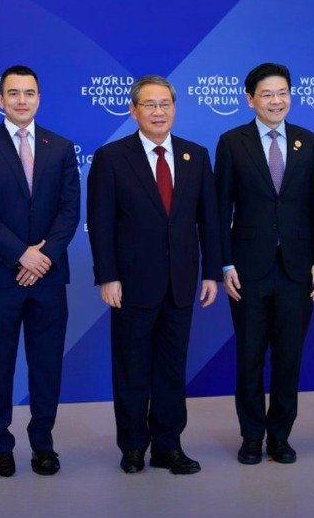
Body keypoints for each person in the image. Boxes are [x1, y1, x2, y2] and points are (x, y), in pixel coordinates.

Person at [87, 75, 221, 475]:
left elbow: (208, 221)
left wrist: (211, 273)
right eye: (149, 104)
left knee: (170, 369)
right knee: (131, 368)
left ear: (174, 109)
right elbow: (101, 222)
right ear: (134, 111)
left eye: (165, 104)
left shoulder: (195, 156)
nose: (158, 111)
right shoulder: (112, 157)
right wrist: (107, 277)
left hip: (181, 284)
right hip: (130, 285)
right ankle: (132, 446)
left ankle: (168, 446)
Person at [0, 65, 80, 477]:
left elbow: (70, 210)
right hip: (0, 277)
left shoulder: (61, 147)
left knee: (46, 364)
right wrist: (20, 256)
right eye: (13, 93)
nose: (22, 100)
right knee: (0, 364)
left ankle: (43, 444)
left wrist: (42, 257)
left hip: (49, 275)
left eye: (29, 93)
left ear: (39, 98)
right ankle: (1, 445)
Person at [214, 62, 314, 465]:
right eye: (267, 94)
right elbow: (218, 208)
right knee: (248, 357)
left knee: (289, 356)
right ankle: (251, 436)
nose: (276, 100)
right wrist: (224, 264)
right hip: (247, 269)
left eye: (283, 92)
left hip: (297, 269)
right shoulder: (232, 142)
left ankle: (280, 436)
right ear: (250, 99)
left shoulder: (308, 141)